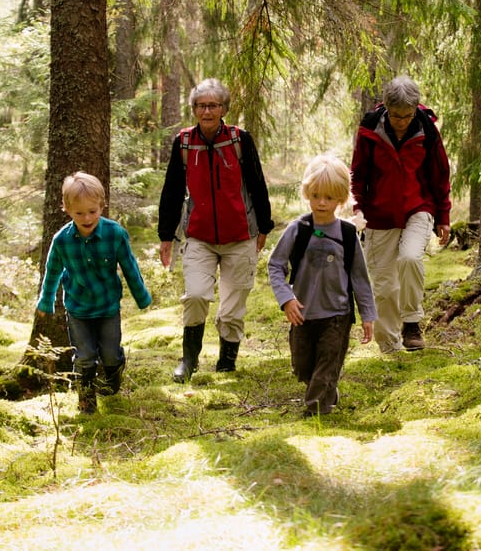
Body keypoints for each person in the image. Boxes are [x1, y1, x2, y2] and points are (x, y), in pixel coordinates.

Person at [158, 78, 274, 382]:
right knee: (196, 295)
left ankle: (226, 362)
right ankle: (189, 361)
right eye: (201, 105)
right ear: (194, 109)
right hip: (199, 237)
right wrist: (165, 235)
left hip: (240, 236)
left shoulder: (239, 140)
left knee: (233, 308)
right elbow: (171, 191)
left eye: (212, 105)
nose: (206, 110)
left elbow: (258, 183)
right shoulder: (184, 142)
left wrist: (264, 225)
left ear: (223, 108)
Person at [268, 154, 376, 417]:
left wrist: (367, 315)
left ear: (340, 198)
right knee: (303, 367)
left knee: (328, 361)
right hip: (303, 313)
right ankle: (328, 390)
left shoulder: (348, 234)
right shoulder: (299, 229)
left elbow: (360, 278)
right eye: (316, 196)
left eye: (329, 197)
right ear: (307, 194)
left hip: (337, 315)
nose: (322, 203)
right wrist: (286, 299)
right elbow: (275, 266)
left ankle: (315, 410)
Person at [350, 75, 451, 353]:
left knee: (409, 258)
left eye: (407, 116)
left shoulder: (427, 130)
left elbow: (440, 174)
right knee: (384, 288)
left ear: (416, 109)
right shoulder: (370, 128)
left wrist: (443, 216)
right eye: (396, 116)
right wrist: (357, 206)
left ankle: (412, 322)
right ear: (386, 108)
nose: (402, 121)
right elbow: (357, 174)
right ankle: (390, 347)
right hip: (379, 215)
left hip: (419, 208)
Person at [36, 172, 152, 414]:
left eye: (92, 211)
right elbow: (52, 272)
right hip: (78, 308)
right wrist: (46, 302)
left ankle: (112, 378)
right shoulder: (62, 240)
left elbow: (129, 266)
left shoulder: (115, 234)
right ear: (67, 209)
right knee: (85, 356)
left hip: (108, 306)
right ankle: (86, 400)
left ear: (101, 205)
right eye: (79, 213)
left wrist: (142, 297)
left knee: (110, 354)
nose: (87, 218)